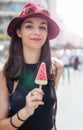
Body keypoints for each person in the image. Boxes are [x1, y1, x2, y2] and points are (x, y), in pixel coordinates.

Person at [0, 2, 63, 130]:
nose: (37, 32)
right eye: (29, 26)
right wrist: (26, 112)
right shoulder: (4, 72)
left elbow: (49, 112)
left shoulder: (56, 68)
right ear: (19, 32)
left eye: (42, 27)